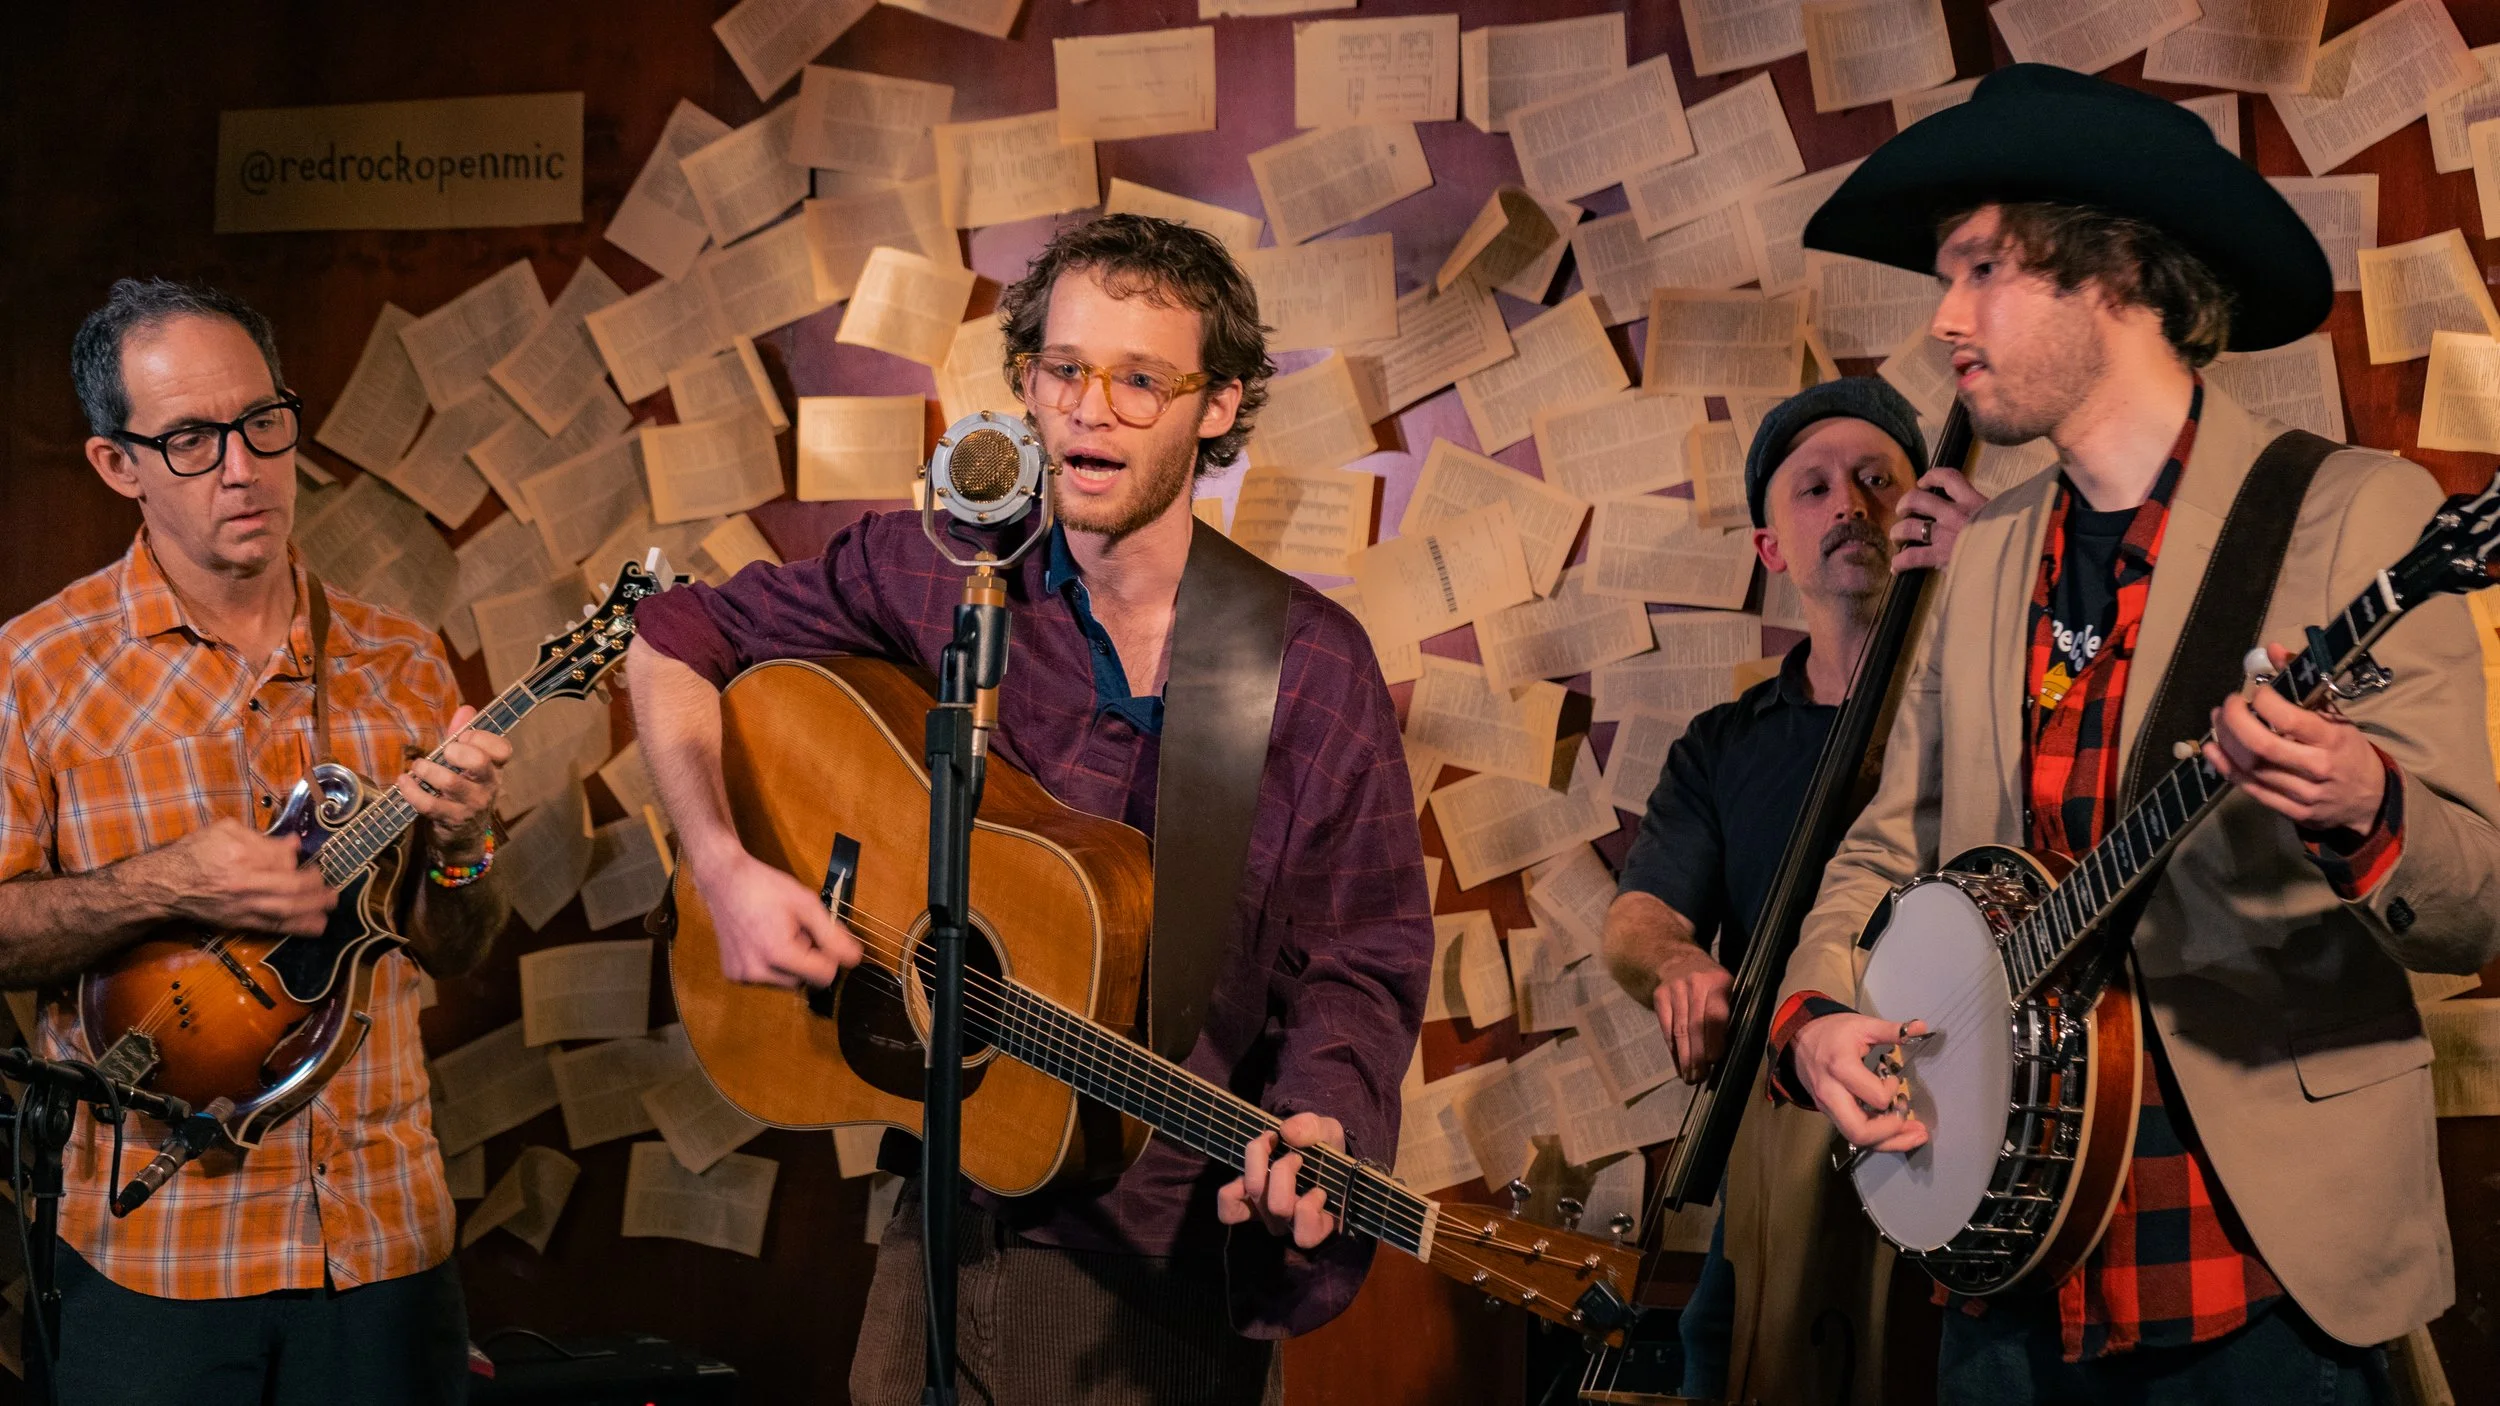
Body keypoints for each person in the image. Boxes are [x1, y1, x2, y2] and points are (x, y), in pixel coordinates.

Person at [1771, 65, 2500, 1404]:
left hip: (2258, 1272)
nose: (1943, 318)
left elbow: (2477, 901)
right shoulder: (1980, 559)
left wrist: (2361, 798)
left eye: (1982, 267)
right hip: (2002, 1248)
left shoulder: (2356, 518)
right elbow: (1883, 852)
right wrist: (1817, 1014)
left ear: (2118, 273)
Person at [626, 214, 1431, 1405]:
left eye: (1141, 378)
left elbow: (1359, 955)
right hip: (936, 1229)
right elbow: (673, 635)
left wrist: (1322, 1119)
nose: (1090, 409)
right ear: (1025, 382)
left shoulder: (1307, 666)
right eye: (1064, 369)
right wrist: (721, 865)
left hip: (1152, 1272)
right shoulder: (942, 573)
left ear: (1219, 404)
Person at [0, 279, 511, 1402]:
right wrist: (161, 882)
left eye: (261, 422)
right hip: (157, 1253)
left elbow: (456, 942)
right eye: (189, 438)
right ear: (116, 465)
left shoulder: (403, 659)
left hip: (386, 1238)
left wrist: (467, 844)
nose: (243, 467)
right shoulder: (33, 669)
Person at [1602, 377, 1985, 1404]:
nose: (1848, 506)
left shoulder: (1993, 700)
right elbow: (1637, 917)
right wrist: (1676, 961)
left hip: (1973, 1110)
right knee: (1725, 1351)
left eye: (1875, 479)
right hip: (1787, 1132)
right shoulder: (1724, 745)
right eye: (1811, 489)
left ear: (1921, 510)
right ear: (1772, 548)